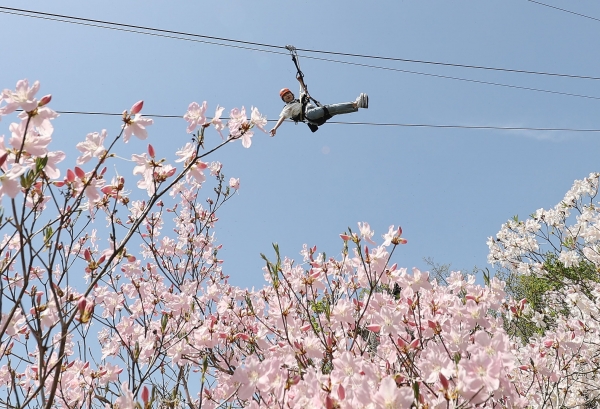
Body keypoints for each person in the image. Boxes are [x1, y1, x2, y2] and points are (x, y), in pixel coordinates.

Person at [269, 75, 368, 136]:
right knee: (330, 108)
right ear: (283, 100)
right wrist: (275, 128)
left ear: (292, 94)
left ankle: (357, 105)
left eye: (288, 93)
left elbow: (304, 91)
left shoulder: (299, 101)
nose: (287, 96)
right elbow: (282, 118)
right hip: (310, 115)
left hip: (315, 116)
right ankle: (356, 104)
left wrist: (300, 81)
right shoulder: (287, 108)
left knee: (333, 110)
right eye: (285, 96)